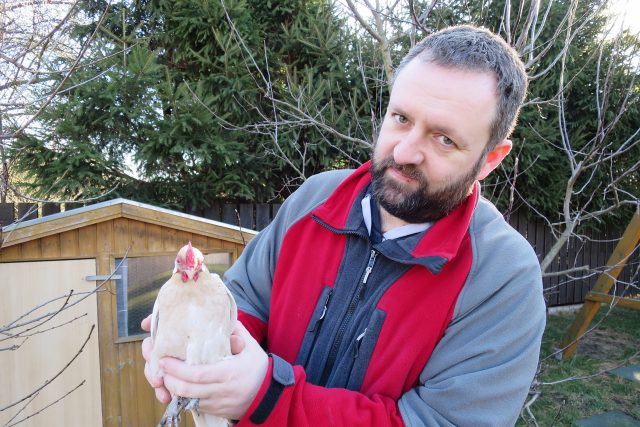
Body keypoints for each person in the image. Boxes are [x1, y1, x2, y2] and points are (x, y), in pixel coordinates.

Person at [142, 24, 546, 426]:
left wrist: (267, 397)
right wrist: (199, 357)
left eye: (444, 139)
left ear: (491, 159)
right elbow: (244, 300)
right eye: (401, 118)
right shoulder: (315, 199)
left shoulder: (502, 275)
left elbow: (444, 421)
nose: (405, 152)